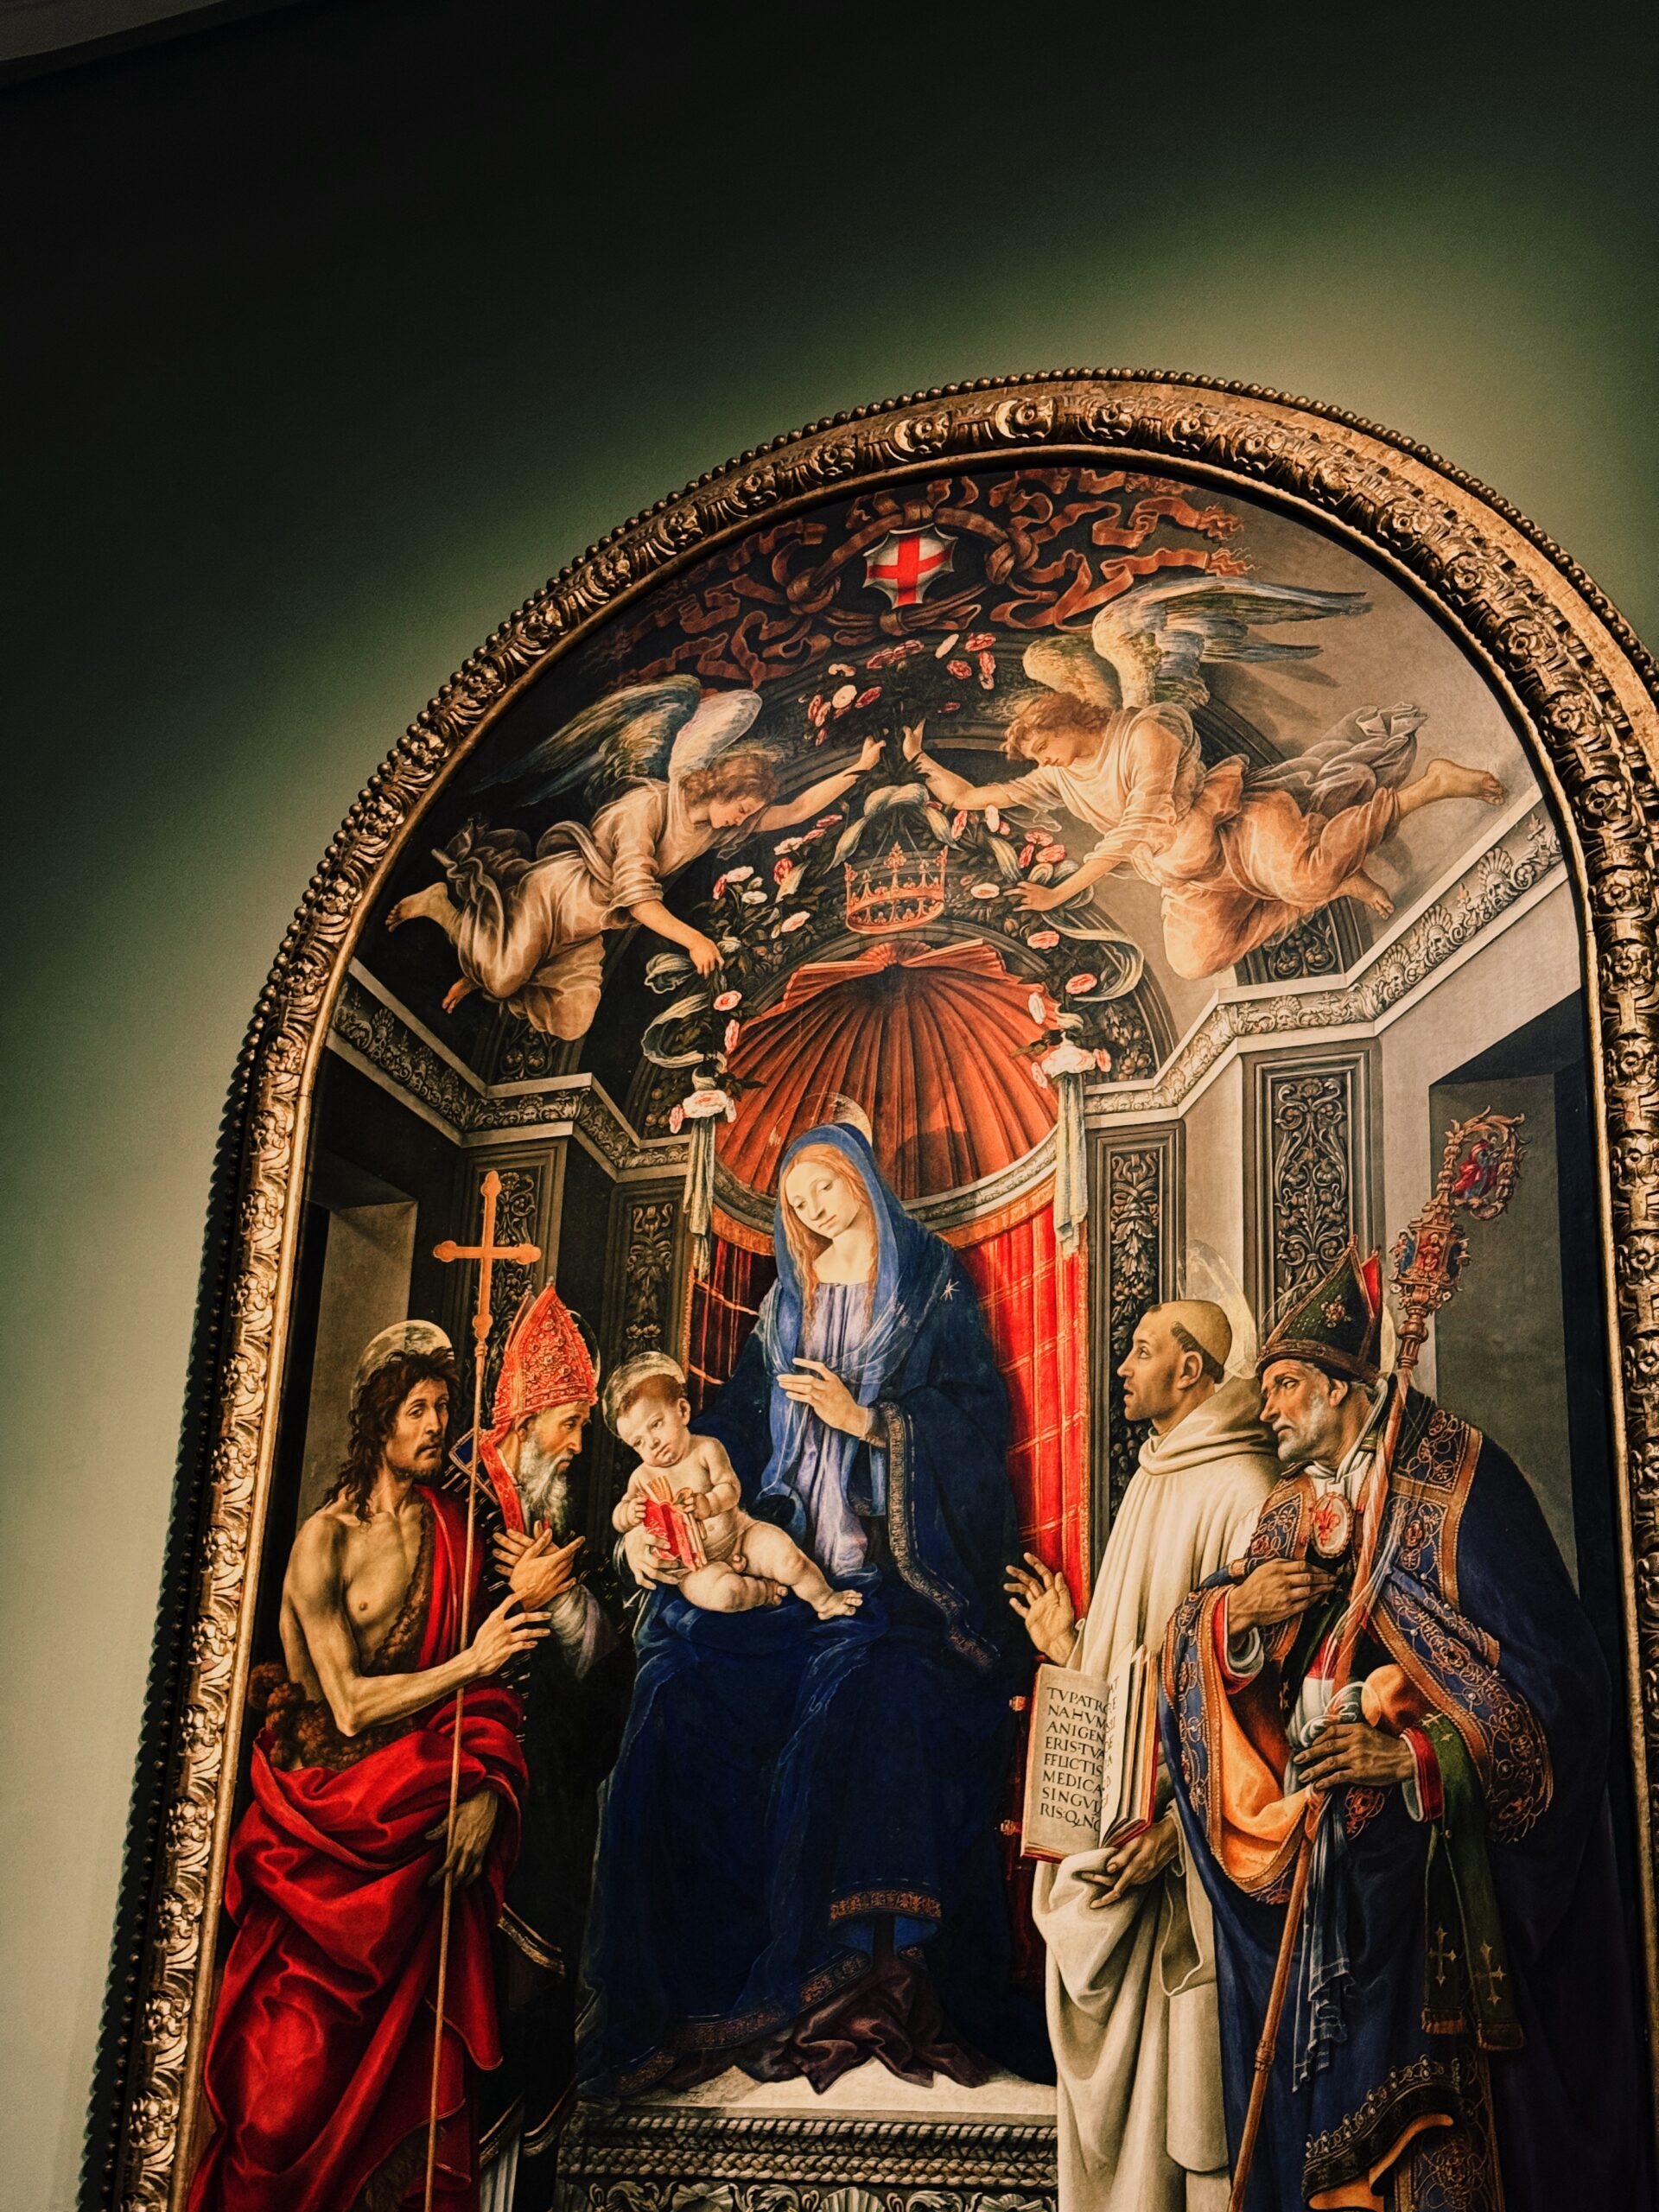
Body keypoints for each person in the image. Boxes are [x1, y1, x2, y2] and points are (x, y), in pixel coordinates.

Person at [1160, 1245, 1644, 2212]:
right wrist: (1237, 1618)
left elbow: (1566, 1690)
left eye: (1285, 1385)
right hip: (1317, 1864)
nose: (1267, 1408)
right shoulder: (1292, 1506)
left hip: (1429, 1877)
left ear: (1342, 1386)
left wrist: (1414, 1757)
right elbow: (1197, 1646)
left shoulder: (1460, 1477)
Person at [579, 1118, 1050, 2097]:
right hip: (781, 1568)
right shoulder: (783, 1306)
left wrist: (870, 1422)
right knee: (672, 1696)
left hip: (899, 1588)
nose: (813, 1210)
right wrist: (653, 1519)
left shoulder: (928, 1286)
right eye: (796, 1202)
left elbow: (977, 1431)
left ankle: (855, 1985)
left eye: (824, 1187)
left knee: (862, 1697)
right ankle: (682, 2005)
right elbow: (730, 1435)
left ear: (861, 1177)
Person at [188, 1323, 552, 2212]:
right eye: (416, 1408)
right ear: (377, 1418)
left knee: (409, 2102)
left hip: (412, 1834)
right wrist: (472, 1661)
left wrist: (485, 1786)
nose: (435, 1424)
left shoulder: (452, 1528)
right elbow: (348, 1705)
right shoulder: (325, 1539)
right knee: (280, 2103)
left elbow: (495, 1692)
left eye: (442, 1407)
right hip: (320, 1835)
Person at [1007, 1300, 1278, 2212]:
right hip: (1118, 1821)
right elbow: (1143, 1662)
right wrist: (1069, 1644)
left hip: (1185, 1848)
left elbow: (1259, 1704)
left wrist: (1180, 1829)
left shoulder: (1243, 1485)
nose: (1123, 1367)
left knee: (1187, 2095)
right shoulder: (1156, 1473)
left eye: (1141, 1350)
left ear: (1191, 1369)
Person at [448, 1282, 637, 2212]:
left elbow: (607, 1683)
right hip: (458, 1803)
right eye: (568, 1424)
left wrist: (561, 1603)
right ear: (526, 1418)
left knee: (534, 2008)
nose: (576, 1445)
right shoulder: (458, 1512)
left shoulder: (550, 1522)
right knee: (477, 2011)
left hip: (547, 1811)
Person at [388, 683, 883, 1036]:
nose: (743, 820)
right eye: (742, 808)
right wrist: (694, 940)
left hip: (588, 925)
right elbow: (639, 898)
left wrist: (858, 769)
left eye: (749, 814)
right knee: (501, 979)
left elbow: (794, 811)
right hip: (555, 899)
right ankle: (443, 909)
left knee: (572, 1022)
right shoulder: (645, 805)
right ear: (723, 787)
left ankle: (494, 961)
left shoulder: (712, 825)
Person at [908, 692, 1504, 980]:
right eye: (1039, 758)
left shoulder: (1143, 735)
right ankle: (1329, 883)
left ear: (1068, 722)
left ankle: (1427, 788)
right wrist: (922, 762)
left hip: (1238, 830)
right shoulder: (1060, 777)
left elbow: (1138, 825)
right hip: (1191, 878)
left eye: (1045, 747)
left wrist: (1060, 894)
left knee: (1307, 874)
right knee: (1194, 963)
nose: (1046, 762)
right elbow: (975, 797)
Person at [607, 1351, 865, 1618]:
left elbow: (731, 1489)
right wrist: (628, 1514)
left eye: (656, 1425)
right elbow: (620, 1517)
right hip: (698, 1567)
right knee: (726, 1594)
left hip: (742, 1535)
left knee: (790, 1560)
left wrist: (708, 1504)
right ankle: (764, 1592)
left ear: (682, 1411)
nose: (652, 1443)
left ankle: (825, 1600)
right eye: (638, 1442)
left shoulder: (706, 1449)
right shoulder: (642, 1477)